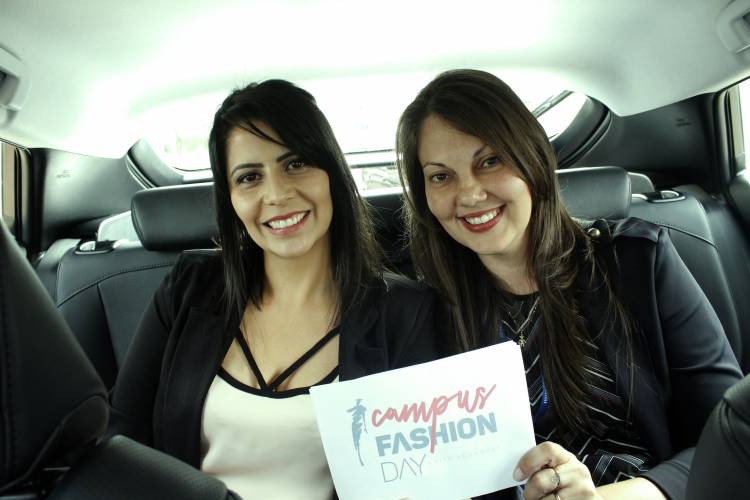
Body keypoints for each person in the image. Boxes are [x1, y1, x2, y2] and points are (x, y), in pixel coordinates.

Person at [395, 69, 742, 500]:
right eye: (440, 176)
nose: (468, 194)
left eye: (489, 161)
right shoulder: (419, 313)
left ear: (532, 158)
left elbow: (730, 435)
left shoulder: (636, 262)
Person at [108, 79, 439, 499]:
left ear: (332, 173)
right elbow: (122, 438)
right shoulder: (189, 288)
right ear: (230, 198)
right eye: (249, 177)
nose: (277, 194)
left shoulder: (406, 312)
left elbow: (428, 474)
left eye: (296, 164)